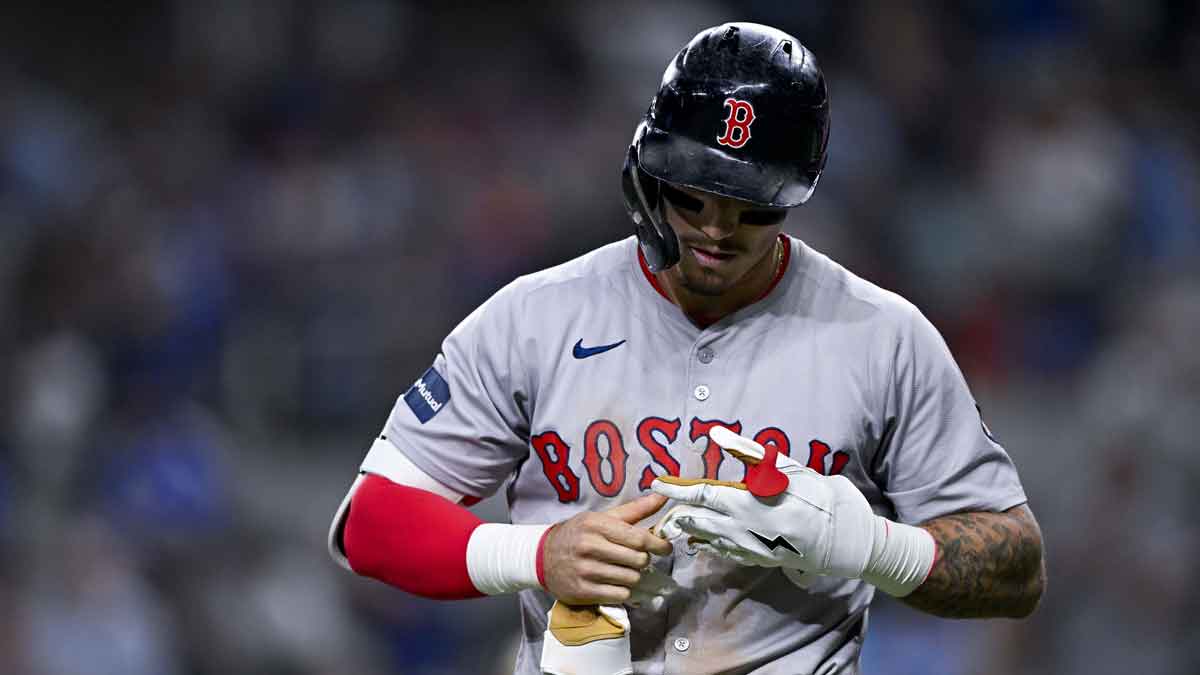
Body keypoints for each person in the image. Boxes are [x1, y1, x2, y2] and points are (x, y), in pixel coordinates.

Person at [328, 22, 1045, 675]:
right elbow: (372, 522)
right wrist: (538, 554)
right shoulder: (534, 318)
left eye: (753, 204)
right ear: (649, 172)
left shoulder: (883, 337)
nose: (717, 228)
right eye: (693, 194)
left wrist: (869, 547)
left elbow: (1018, 566)